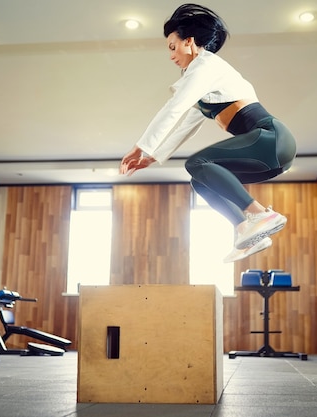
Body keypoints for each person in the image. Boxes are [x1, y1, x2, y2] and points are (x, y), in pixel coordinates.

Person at [120, 3, 296, 262]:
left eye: (173, 46)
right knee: (200, 177)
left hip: (272, 139)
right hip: (268, 155)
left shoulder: (206, 66)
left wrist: (141, 146)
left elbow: (174, 108)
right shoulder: (202, 81)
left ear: (189, 41)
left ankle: (261, 215)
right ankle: (247, 230)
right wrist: (153, 156)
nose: (171, 55)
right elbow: (185, 125)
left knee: (197, 162)